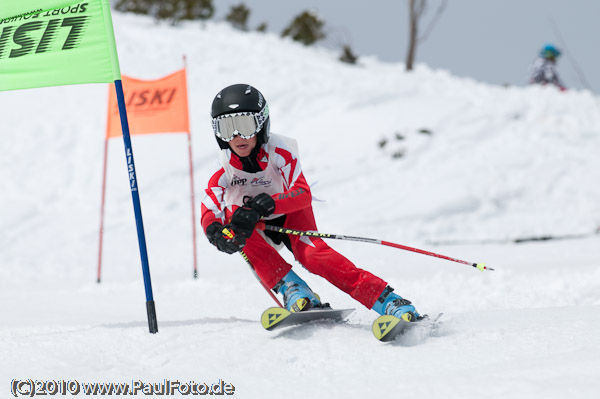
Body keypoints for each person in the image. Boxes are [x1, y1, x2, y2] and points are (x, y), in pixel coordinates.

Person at [201, 83, 421, 321]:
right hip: (253, 223)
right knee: (237, 227)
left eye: (244, 126)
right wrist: (215, 233)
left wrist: (267, 205)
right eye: (227, 128)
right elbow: (209, 208)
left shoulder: (279, 150)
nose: (236, 137)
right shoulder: (222, 167)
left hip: (291, 212)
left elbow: (302, 193)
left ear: (261, 124)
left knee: (315, 257)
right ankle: (293, 289)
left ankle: (387, 300)